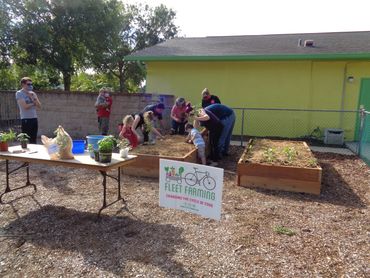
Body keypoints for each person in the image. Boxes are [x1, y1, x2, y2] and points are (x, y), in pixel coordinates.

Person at [15, 77, 42, 144]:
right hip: (26, 119)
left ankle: (34, 153)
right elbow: (25, 107)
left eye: (31, 84)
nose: (30, 86)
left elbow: (39, 106)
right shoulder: (19, 93)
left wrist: (33, 98)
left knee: (33, 139)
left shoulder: (33, 93)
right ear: (23, 84)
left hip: (34, 118)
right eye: (28, 84)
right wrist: (33, 102)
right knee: (25, 140)